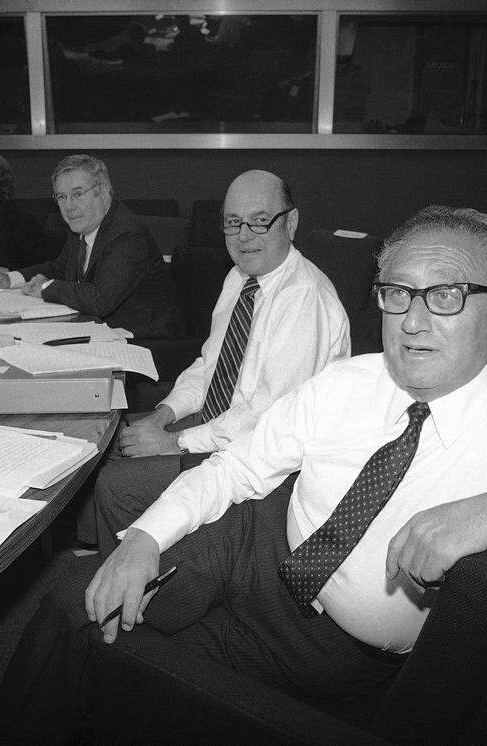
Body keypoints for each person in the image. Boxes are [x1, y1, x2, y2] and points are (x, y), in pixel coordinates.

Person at [0, 205, 487, 741]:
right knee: (73, 601)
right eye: (396, 292)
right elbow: (237, 469)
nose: (412, 321)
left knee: (106, 656)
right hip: (254, 551)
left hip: (324, 652)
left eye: (446, 295)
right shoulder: (349, 383)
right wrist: (143, 538)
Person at [79, 169, 351, 556]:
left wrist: (174, 442)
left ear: (290, 222)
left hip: (266, 455)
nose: (243, 236)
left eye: (259, 221)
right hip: (224, 421)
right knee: (105, 442)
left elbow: (267, 417)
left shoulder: (304, 298)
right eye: (232, 222)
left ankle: (124, 579)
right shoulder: (242, 278)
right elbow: (210, 363)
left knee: (117, 485)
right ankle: (111, 552)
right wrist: (162, 416)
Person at [0, 154, 180, 339]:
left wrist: (46, 287)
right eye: (62, 197)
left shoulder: (127, 235)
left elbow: (100, 299)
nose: (69, 206)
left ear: (103, 193)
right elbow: (58, 270)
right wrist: (9, 279)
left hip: (145, 342)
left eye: (78, 194)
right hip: (101, 333)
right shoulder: (82, 228)